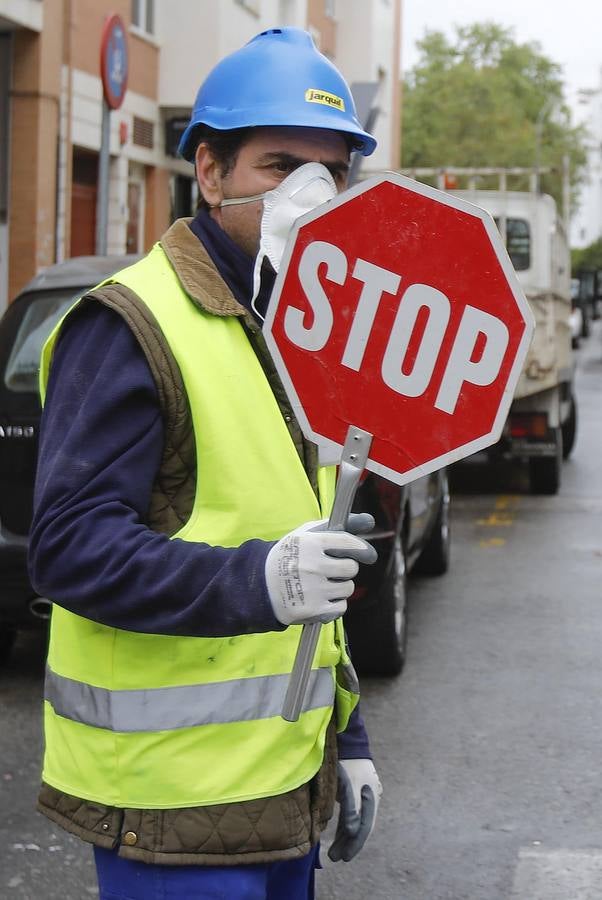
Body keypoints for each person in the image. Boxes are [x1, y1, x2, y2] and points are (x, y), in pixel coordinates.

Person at [29, 27, 383, 900]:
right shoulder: (132, 324)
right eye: (277, 165)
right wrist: (258, 583)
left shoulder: (303, 328)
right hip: (167, 817)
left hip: (282, 799)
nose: (307, 193)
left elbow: (311, 556)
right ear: (211, 173)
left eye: (329, 172)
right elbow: (69, 548)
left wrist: (351, 740)